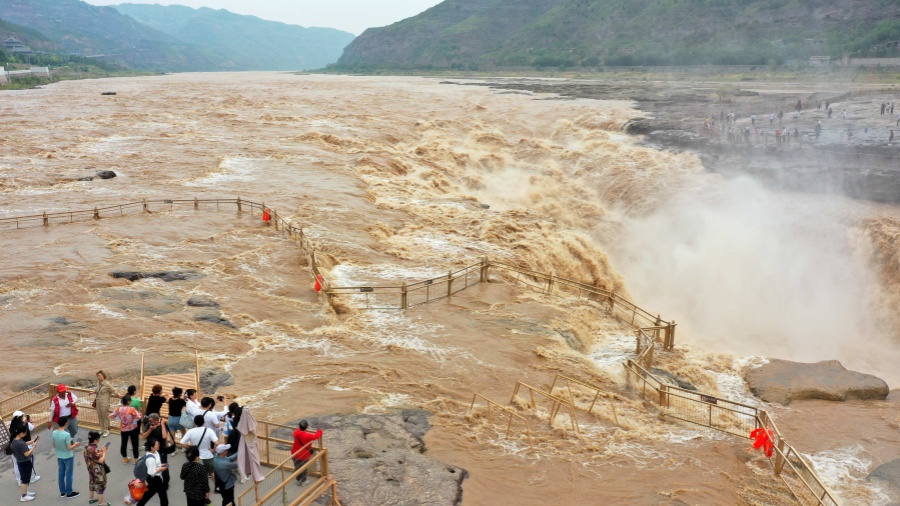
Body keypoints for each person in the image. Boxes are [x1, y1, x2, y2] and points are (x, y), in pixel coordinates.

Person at [140, 413, 175, 486]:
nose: (150, 422)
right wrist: (150, 429)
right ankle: (153, 480)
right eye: (149, 421)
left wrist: (162, 424)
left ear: (156, 420)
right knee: (150, 464)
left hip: (161, 449)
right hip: (150, 448)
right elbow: (143, 436)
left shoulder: (163, 424)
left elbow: (164, 436)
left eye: (151, 421)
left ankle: (166, 482)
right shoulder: (149, 425)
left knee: (163, 465)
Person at [52, 415, 81, 499]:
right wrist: (76, 444)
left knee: (61, 474)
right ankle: (69, 492)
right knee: (69, 475)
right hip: (68, 457)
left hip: (59, 456)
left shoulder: (54, 433)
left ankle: (62, 492)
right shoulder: (66, 434)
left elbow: (53, 445)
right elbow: (69, 447)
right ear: (66, 423)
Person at [9, 411, 40, 486]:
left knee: (16, 464)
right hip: (25, 445)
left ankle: (19, 480)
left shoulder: (12, 427)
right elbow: (34, 427)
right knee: (28, 462)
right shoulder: (25, 424)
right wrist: (31, 421)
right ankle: (31, 477)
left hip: (13, 446)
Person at [137, 438, 168, 506]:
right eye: (157, 444)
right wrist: (161, 469)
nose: (158, 445)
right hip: (154, 479)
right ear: (152, 447)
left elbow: (154, 464)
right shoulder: (150, 459)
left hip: (153, 479)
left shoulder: (155, 452)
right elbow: (151, 472)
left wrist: (160, 465)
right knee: (163, 496)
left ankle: (139, 504)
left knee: (149, 493)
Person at [110, 395, 141, 463]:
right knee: (135, 443)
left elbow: (111, 415)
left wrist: (120, 419)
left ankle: (125, 458)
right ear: (128, 402)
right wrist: (133, 421)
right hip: (132, 428)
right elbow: (138, 416)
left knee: (124, 443)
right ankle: (136, 459)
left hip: (123, 428)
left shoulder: (119, 409)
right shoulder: (132, 409)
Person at [291, 420, 322, 486]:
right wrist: (319, 431)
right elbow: (316, 436)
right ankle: (303, 481)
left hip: (295, 453)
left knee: (297, 467)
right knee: (304, 468)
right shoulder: (307, 436)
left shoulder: (295, 433)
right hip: (303, 455)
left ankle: (298, 480)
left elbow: (299, 431)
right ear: (306, 427)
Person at [10, 426, 37, 502]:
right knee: (25, 480)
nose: (25, 434)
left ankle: (25, 492)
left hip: (20, 462)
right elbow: (27, 454)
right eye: (25, 433)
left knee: (24, 479)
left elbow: (24, 444)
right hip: (25, 462)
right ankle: (24, 495)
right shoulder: (20, 443)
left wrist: (31, 441)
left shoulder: (15, 440)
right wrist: (33, 447)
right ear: (21, 433)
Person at [84, 431, 109, 506]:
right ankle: (101, 503)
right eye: (98, 440)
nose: (98, 441)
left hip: (90, 470)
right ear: (95, 440)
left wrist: (101, 451)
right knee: (100, 486)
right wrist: (104, 452)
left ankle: (91, 498)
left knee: (92, 483)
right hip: (97, 471)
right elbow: (101, 460)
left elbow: (94, 455)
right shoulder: (93, 449)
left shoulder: (86, 447)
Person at [92, 371, 118, 438]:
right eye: (97, 376)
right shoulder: (98, 383)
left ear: (103, 376)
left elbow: (113, 390)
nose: (98, 377)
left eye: (99, 376)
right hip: (98, 402)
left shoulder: (107, 384)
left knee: (105, 416)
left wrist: (119, 395)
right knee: (100, 416)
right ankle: (102, 428)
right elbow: (97, 390)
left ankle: (106, 430)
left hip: (104, 403)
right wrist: (93, 392)